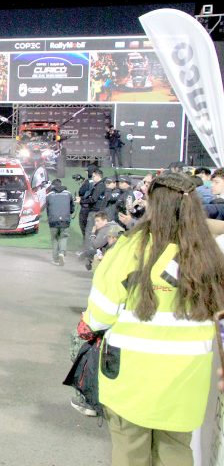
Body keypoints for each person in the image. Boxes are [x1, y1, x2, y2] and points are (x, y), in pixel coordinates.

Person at [82, 172, 224, 466]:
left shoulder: (130, 249)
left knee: (130, 452)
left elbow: (99, 314)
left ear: (152, 204)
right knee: (176, 451)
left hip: (130, 378)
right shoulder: (210, 255)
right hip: (187, 380)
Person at [45, 179, 74, 266]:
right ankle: (61, 253)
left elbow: (48, 209)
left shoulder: (49, 195)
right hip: (65, 220)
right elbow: (72, 208)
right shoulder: (68, 194)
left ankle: (55, 259)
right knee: (63, 237)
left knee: (54, 239)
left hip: (53, 220)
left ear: (53, 186)